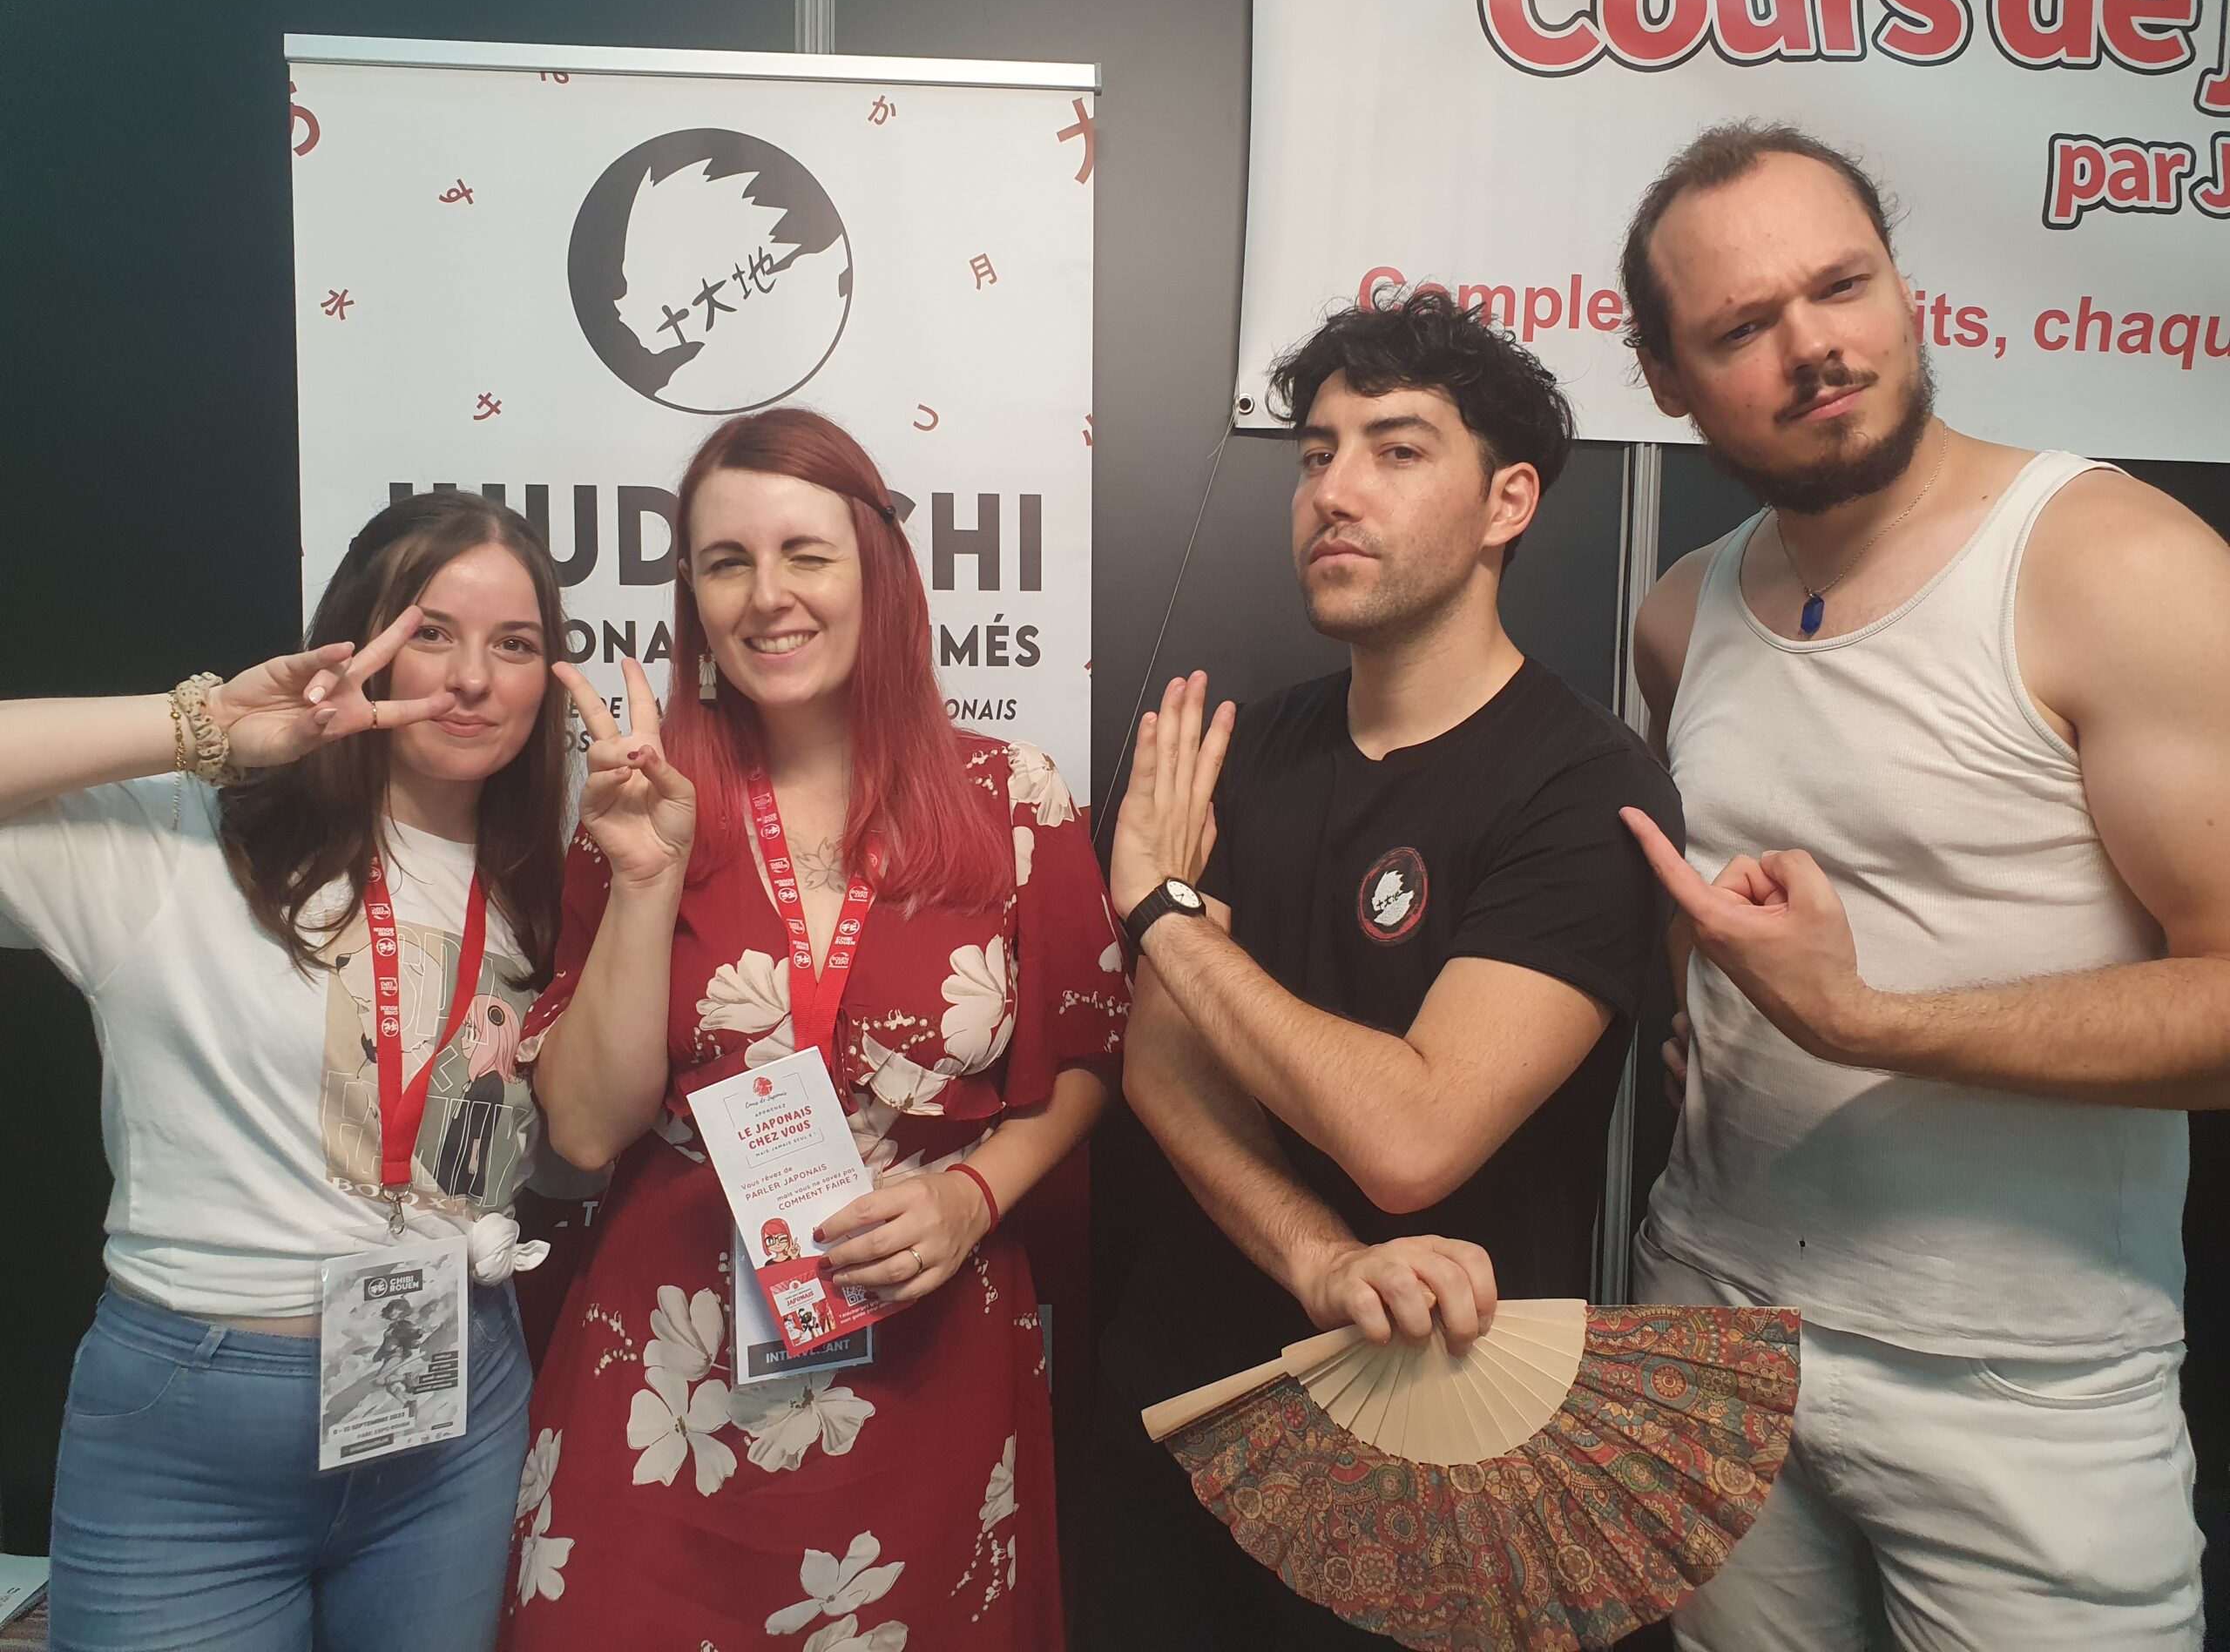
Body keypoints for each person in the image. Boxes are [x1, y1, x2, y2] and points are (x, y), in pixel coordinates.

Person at [1617, 122, 2230, 1650]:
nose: (1816, 348)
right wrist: (1704, 1011)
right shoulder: (1682, 612)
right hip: (1714, 1319)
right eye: (1743, 328)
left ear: (1902, 288)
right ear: (1666, 381)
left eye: (1844, 286)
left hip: (2027, 1383)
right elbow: (1720, 897)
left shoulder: (2114, 565)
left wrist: (1864, 1022)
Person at [1090, 289, 1684, 1650]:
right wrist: (1317, 1257)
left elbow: (1411, 1137)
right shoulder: (1244, 749)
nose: (1334, 492)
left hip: (1432, 1448)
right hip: (1186, 1420)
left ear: (1508, 502)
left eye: (1397, 450)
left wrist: (1168, 918)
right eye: (1317, 454)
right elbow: (1162, 1069)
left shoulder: (1583, 787)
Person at [505, 408, 1127, 1649]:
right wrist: (646, 878)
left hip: (929, 1351)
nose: (767, 596)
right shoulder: (641, 803)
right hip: (669, 1374)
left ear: (878, 571)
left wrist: (974, 1199)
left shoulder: (1011, 794)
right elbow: (581, 1128)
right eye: (725, 563)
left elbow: (1086, 1058)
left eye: (806, 554)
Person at [1, 490, 572, 1652]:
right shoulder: (188, 838)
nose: (472, 678)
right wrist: (204, 726)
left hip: (456, 1412)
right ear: (360, 636)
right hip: (198, 1429)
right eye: (431, 631)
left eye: (515, 644)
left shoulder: (548, 882)